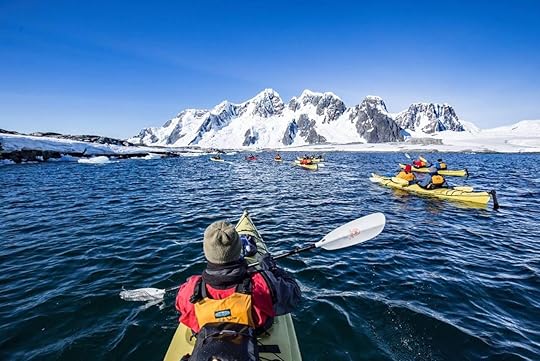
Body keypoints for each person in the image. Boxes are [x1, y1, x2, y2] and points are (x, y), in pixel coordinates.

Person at [175, 221, 301, 360]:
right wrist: (272, 270)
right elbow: (294, 295)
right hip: (255, 335)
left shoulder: (188, 290)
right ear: (239, 249)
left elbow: (183, 313)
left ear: (206, 251)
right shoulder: (263, 283)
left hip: (208, 342)